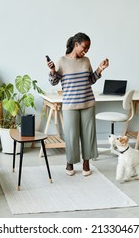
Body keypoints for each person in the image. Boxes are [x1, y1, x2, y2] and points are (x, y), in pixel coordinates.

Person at [47, 32, 109, 176]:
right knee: (71, 135)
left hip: (88, 103)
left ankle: (86, 163)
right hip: (70, 105)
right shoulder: (61, 61)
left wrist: (100, 68)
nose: (86, 51)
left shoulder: (86, 61)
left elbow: (90, 80)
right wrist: (52, 71)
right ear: (76, 45)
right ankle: (70, 163)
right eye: (84, 47)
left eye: (88, 49)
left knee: (88, 135)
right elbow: (54, 81)